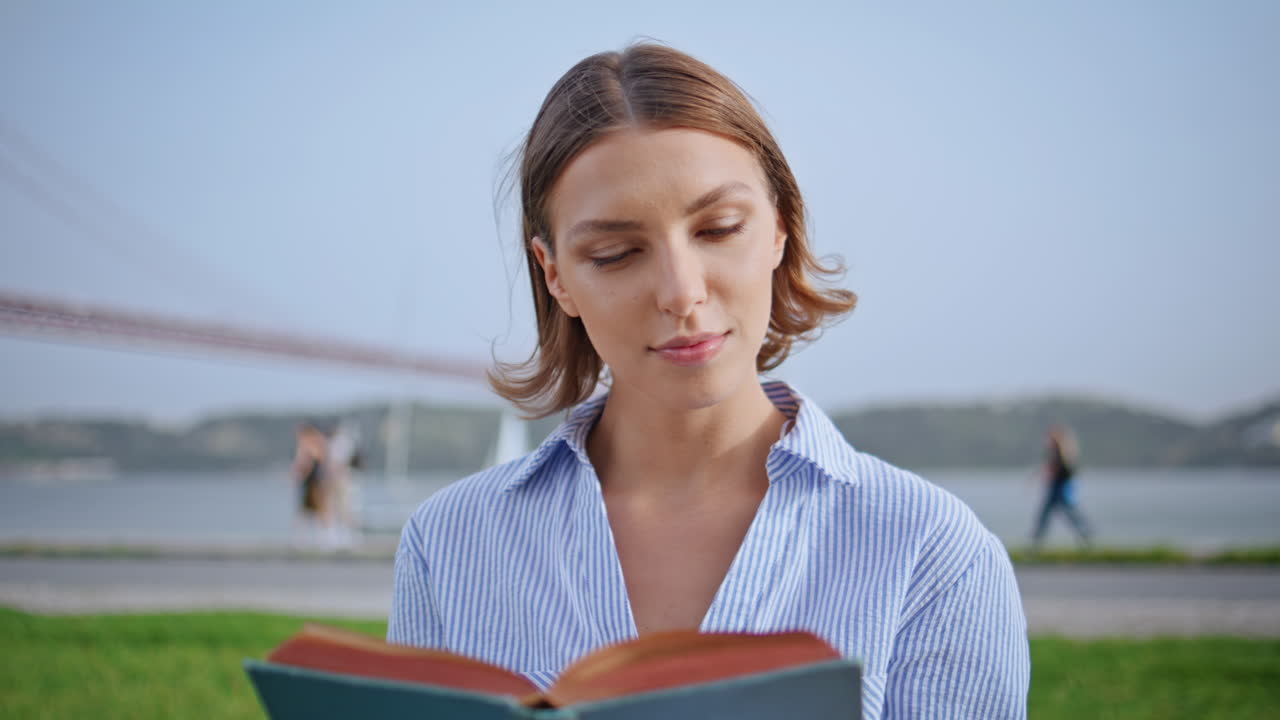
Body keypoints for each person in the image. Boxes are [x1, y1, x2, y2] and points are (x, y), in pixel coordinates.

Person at [389, 44, 1029, 719]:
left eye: (719, 228)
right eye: (616, 253)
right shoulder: (451, 544)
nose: (681, 292)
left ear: (779, 227)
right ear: (555, 276)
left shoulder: (929, 554)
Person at [1031, 424, 1093, 550]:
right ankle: (1037, 543)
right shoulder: (1056, 450)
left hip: (1061, 487)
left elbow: (1062, 468)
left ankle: (1086, 535)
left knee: (1069, 513)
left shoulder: (1063, 450)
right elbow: (1049, 467)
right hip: (1056, 486)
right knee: (1048, 515)